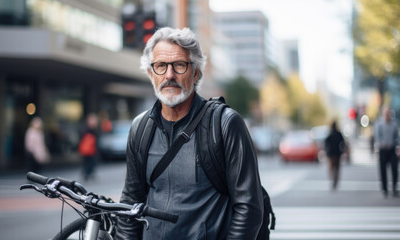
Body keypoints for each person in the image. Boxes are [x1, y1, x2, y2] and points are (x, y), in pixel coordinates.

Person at [115, 27, 264, 240]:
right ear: (151, 74)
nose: (169, 75)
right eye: (160, 66)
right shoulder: (140, 127)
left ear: (195, 73)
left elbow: (248, 208)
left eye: (179, 65)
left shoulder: (225, 124)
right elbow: (131, 201)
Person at [374, 107, 399, 197]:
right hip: (383, 150)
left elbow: (397, 136)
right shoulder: (379, 124)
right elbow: (377, 136)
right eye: (386, 113)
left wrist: (397, 144)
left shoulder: (394, 124)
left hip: (392, 149)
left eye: (388, 113)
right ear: (383, 114)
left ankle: (394, 188)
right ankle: (385, 189)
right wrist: (381, 143)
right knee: (383, 170)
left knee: (395, 169)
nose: (387, 115)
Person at [324, 120, 345, 190]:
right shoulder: (338, 134)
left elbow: (326, 143)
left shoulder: (330, 133)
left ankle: (332, 180)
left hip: (331, 154)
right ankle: (335, 181)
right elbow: (343, 143)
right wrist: (342, 150)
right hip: (337, 153)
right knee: (337, 169)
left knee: (331, 168)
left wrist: (327, 151)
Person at [79, 113, 99, 181]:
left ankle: (88, 173)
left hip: (89, 149)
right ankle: (87, 173)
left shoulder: (86, 129)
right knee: (90, 162)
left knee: (89, 162)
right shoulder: (89, 130)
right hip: (89, 149)